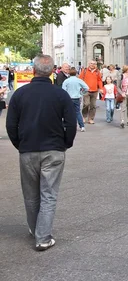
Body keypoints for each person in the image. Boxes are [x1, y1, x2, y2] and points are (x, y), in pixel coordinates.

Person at [6, 55, 76, 251]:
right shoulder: (60, 95)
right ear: (52, 71)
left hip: (28, 149)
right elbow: (71, 123)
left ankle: (35, 228)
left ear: (33, 71)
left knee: (30, 194)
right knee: (49, 194)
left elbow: (11, 125)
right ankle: (43, 237)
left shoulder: (20, 94)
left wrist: (20, 144)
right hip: (54, 149)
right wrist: (66, 143)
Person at [62, 67, 90, 132]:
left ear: (69, 73)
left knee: (67, 112)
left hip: (68, 98)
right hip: (77, 98)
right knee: (77, 112)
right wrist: (81, 92)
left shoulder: (66, 81)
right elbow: (86, 88)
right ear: (76, 73)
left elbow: (63, 90)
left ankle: (66, 125)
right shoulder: (79, 80)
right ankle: (82, 126)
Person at [78, 60, 103, 124]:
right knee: (86, 104)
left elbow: (99, 80)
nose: (92, 65)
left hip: (95, 91)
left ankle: (91, 118)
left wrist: (101, 88)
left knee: (93, 105)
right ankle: (84, 116)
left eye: (94, 63)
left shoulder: (97, 71)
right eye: (91, 63)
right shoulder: (85, 71)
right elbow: (80, 79)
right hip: (86, 90)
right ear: (89, 64)